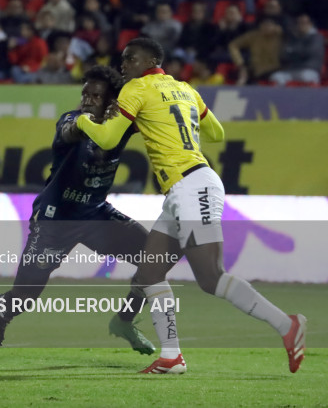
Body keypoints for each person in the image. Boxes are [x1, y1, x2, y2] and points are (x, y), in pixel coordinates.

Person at [76, 38, 306, 374]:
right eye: (123, 59)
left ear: (150, 60)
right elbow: (216, 133)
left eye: (131, 59)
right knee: (149, 272)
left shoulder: (137, 89)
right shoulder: (185, 89)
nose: (124, 64)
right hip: (183, 189)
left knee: (210, 277)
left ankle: (288, 325)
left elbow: (108, 138)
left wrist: (81, 120)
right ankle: (171, 357)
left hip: (192, 186)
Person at [0, 66, 154, 361]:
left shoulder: (121, 125)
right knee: (24, 296)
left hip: (95, 214)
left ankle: (124, 322)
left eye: (96, 96)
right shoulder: (72, 119)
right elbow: (70, 130)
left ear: (111, 101)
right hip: (55, 219)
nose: (87, 99)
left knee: (154, 257)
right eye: (84, 93)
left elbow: (154, 119)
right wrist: (88, 119)